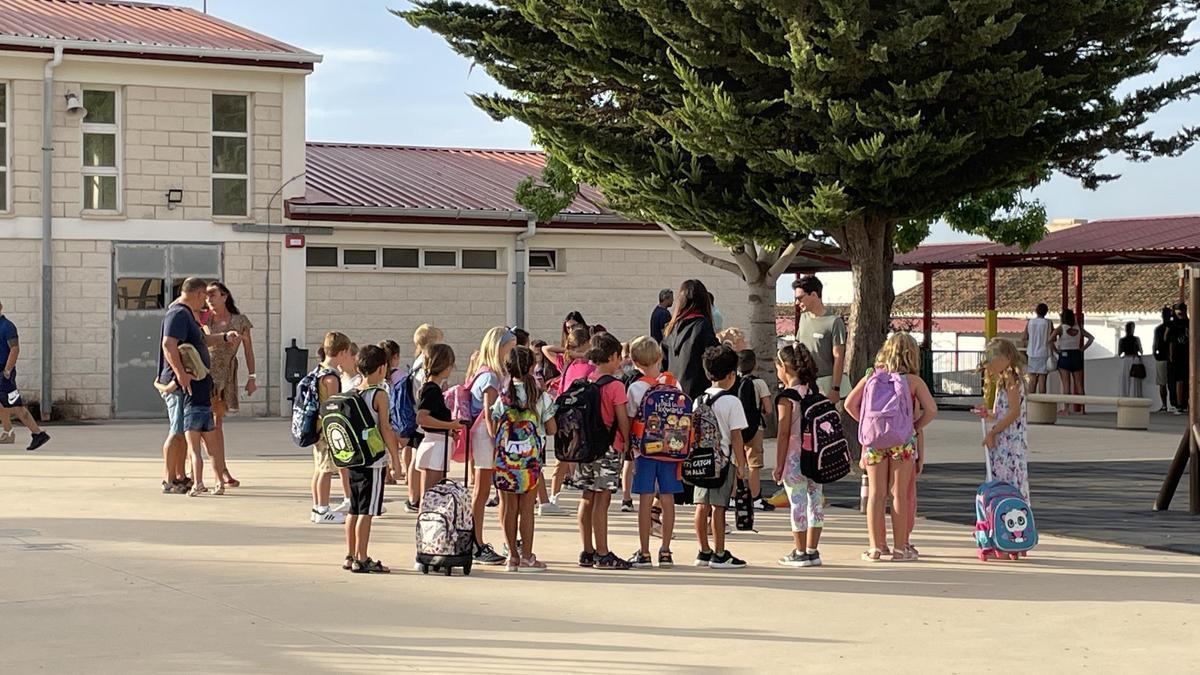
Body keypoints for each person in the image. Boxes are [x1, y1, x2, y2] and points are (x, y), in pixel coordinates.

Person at [845, 333, 937, 563]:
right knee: (899, 494)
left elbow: (848, 404)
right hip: (901, 443)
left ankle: (875, 547)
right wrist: (914, 426)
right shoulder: (913, 381)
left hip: (875, 443)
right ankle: (899, 548)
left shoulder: (871, 377)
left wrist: (868, 425)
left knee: (876, 494)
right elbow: (932, 410)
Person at [158, 278, 238, 497]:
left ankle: (181, 476)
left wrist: (223, 337)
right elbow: (168, 344)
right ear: (197, 294)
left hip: (190, 384)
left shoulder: (188, 316)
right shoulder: (179, 314)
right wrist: (181, 375)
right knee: (176, 432)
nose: (206, 301)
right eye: (205, 296)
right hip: (179, 384)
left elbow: (202, 341)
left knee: (184, 432)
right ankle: (169, 478)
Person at [488, 345, 556, 572]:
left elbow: (494, 424)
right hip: (531, 460)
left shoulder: (503, 395)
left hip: (506, 459)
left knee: (508, 508)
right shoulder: (540, 395)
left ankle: (512, 557)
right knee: (527, 508)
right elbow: (552, 428)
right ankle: (527, 556)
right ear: (531, 366)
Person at [575, 332, 633, 570]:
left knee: (587, 497)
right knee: (603, 499)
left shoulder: (587, 381)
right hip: (607, 449)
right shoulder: (615, 385)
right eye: (618, 356)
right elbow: (621, 417)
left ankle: (587, 551)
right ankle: (603, 552)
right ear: (611, 356)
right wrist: (627, 441)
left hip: (586, 449)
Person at [624, 336, 682, 568]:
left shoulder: (636, 387)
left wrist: (628, 446)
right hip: (671, 450)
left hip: (645, 452)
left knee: (646, 500)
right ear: (660, 358)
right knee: (668, 499)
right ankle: (666, 550)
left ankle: (645, 551)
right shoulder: (674, 384)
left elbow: (629, 419)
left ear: (634, 362)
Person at [662, 279, 720, 506]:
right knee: (699, 446)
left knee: (677, 443)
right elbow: (712, 357)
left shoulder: (672, 327)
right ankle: (694, 489)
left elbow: (665, 361)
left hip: (675, 394)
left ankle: (675, 490)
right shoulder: (703, 325)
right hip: (697, 393)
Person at [693, 345, 749, 570]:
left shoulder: (698, 400)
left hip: (700, 460)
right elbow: (737, 437)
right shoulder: (732, 402)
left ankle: (703, 551)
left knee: (700, 505)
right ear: (731, 375)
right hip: (722, 462)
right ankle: (720, 553)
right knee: (718, 507)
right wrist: (741, 465)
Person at [343, 344, 398, 574]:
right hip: (373, 460)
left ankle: (350, 554)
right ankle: (363, 557)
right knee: (368, 509)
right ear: (382, 367)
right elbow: (385, 427)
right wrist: (395, 459)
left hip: (354, 458)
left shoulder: (352, 391)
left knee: (354, 508)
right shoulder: (379, 394)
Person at [468, 326, 517, 566]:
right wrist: (497, 439)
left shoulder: (490, 373)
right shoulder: (490, 377)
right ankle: (475, 541)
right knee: (483, 490)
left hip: (489, 436)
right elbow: (489, 415)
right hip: (487, 437)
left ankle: (499, 540)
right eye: (510, 347)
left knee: (494, 490)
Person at [773, 344, 824, 567]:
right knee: (815, 501)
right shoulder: (814, 390)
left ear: (784, 367)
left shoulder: (787, 397)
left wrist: (778, 464)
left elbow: (783, 433)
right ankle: (813, 549)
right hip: (817, 455)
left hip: (794, 456)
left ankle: (800, 550)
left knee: (797, 501)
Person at [202, 282, 254, 489]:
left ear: (224, 296)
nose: (209, 300)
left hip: (226, 375)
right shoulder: (204, 317)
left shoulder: (240, 321)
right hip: (205, 373)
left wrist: (252, 377)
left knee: (217, 423)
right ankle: (198, 469)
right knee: (199, 423)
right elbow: (204, 341)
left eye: (213, 295)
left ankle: (221, 469)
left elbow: (248, 350)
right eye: (206, 296)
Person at [975, 338, 1031, 502]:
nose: (989, 364)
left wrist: (992, 433)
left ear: (1006, 358)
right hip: (1003, 439)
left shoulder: (1011, 380)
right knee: (1000, 475)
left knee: (1007, 476)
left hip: (1009, 441)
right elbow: (1000, 413)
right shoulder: (1002, 382)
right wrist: (988, 415)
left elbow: (1014, 413)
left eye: (993, 359)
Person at [310, 332, 352, 525]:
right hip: (327, 429)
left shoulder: (319, 369)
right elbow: (333, 406)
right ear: (342, 352)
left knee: (319, 469)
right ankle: (324, 510)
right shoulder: (331, 377)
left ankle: (317, 507)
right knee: (326, 470)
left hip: (317, 427)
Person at [0, 300, 50, 451]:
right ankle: (8, 432)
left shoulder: (7, 326)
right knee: (2, 404)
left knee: (17, 406)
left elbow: (15, 349)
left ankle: (38, 434)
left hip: (4, 375)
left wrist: (7, 372)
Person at [413, 344, 463, 493]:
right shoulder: (432, 389)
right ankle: (427, 515)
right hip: (436, 445)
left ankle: (426, 514)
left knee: (431, 493)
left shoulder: (431, 388)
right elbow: (422, 418)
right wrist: (451, 425)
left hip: (436, 443)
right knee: (432, 493)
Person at [793, 275, 847, 402]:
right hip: (803, 385)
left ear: (813, 295)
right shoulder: (803, 318)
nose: (797, 303)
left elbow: (839, 358)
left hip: (825, 386)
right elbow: (797, 346)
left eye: (800, 298)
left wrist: (835, 389)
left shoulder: (834, 322)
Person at [736, 349, 773, 511]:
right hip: (755, 428)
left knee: (737, 463)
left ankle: (733, 497)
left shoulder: (733, 381)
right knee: (754, 465)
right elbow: (768, 408)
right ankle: (756, 498)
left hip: (736, 428)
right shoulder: (759, 383)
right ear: (755, 364)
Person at [1050, 309, 1093, 414]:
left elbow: (1050, 339)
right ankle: (1083, 409)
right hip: (1076, 355)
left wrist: (1056, 350)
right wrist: (1082, 349)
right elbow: (1091, 338)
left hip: (1064, 356)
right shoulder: (1078, 328)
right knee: (1079, 385)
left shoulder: (1061, 328)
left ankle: (1066, 409)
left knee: (1066, 385)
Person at [1022, 303, 1053, 394]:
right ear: (1046, 312)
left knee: (1032, 378)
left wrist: (1030, 343)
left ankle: (1032, 401)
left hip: (1031, 353)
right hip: (1044, 353)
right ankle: (1042, 403)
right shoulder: (1048, 323)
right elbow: (1053, 337)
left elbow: (1024, 337)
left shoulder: (1030, 322)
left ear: (1036, 311)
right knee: (1042, 378)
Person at [1166, 302, 1190, 415]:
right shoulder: (1172, 325)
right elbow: (1169, 341)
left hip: (1187, 356)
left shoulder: (1189, 323)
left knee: (1185, 380)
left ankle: (1185, 404)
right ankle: (1178, 404)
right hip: (1176, 356)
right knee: (1177, 381)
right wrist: (1171, 356)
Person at [1153, 307, 1174, 412]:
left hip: (1161, 358)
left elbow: (1155, 344)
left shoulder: (1159, 329)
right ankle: (1173, 404)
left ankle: (1165, 405)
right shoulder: (1174, 327)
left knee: (1162, 383)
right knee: (1171, 382)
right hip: (1171, 358)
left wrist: (1156, 355)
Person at [1118, 322, 1144, 399]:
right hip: (1134, 360)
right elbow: (1141, 351)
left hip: (1126, 360)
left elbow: (1120, 353)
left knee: (1126, 380)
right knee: (1134, 380)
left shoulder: (1122, 340)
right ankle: (1134, 396)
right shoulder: (1136, 339)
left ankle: (1126, 396)